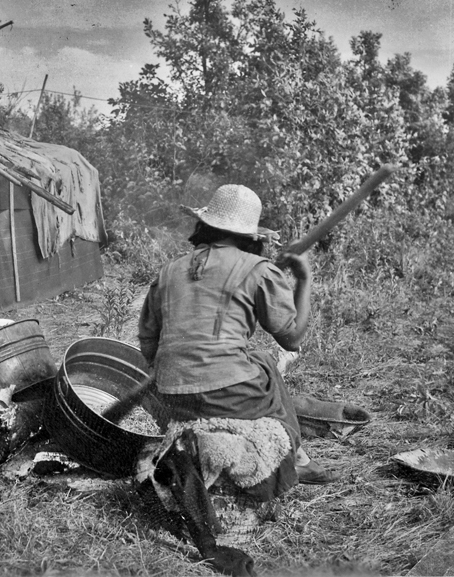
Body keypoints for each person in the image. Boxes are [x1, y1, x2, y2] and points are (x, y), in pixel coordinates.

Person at [134, 184, 337, 576]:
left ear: (205, 225)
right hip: (226, 393)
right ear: (249, 236)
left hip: (170, 393)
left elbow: (148, 342)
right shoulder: (257, 270)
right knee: (270, 371)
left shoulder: (168, 272)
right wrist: (304, 280)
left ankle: (294, 454)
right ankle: (297, 455)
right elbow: (291, 336)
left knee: (259, 360)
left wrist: (177, 374)